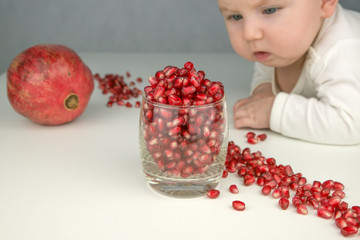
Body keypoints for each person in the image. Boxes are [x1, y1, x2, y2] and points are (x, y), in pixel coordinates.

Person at [217, 0, 360, 145]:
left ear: (323, 3)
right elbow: (265, 68)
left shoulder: (342, 50)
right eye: (236, 17)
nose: (249, 34)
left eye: (270, 10)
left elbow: (350, 123)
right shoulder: (274, 47)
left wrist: (273, 111)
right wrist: (264, 87)